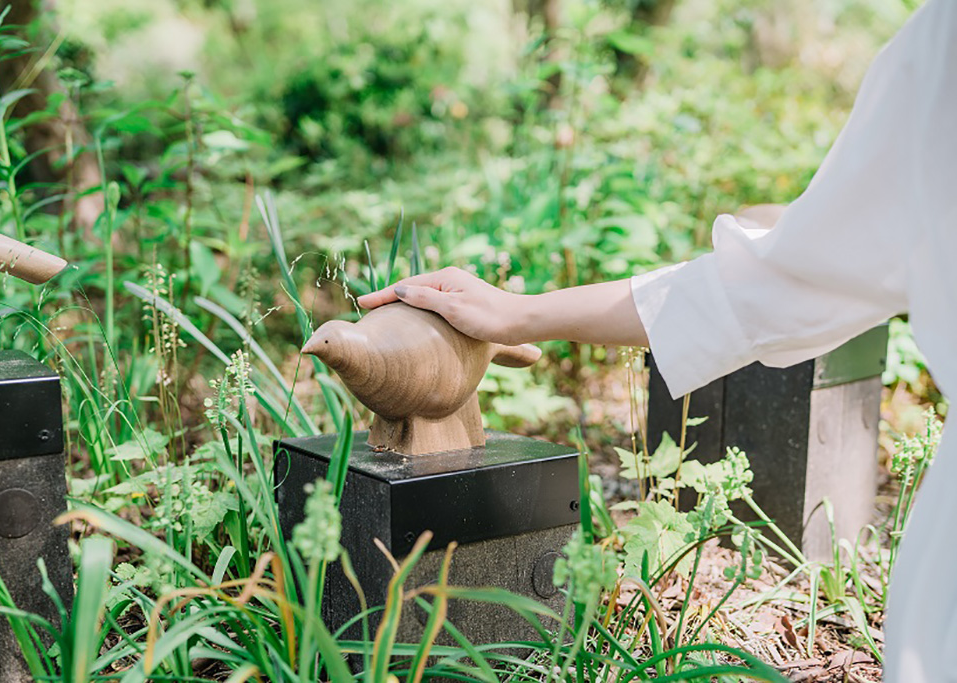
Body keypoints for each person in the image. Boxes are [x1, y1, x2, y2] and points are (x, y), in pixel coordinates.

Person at [357, 0, 956, 679]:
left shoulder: (941, 50)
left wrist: (522, 315)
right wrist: (518, 315)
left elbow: (775, 282)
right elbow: (779, 279)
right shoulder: (942, 47)